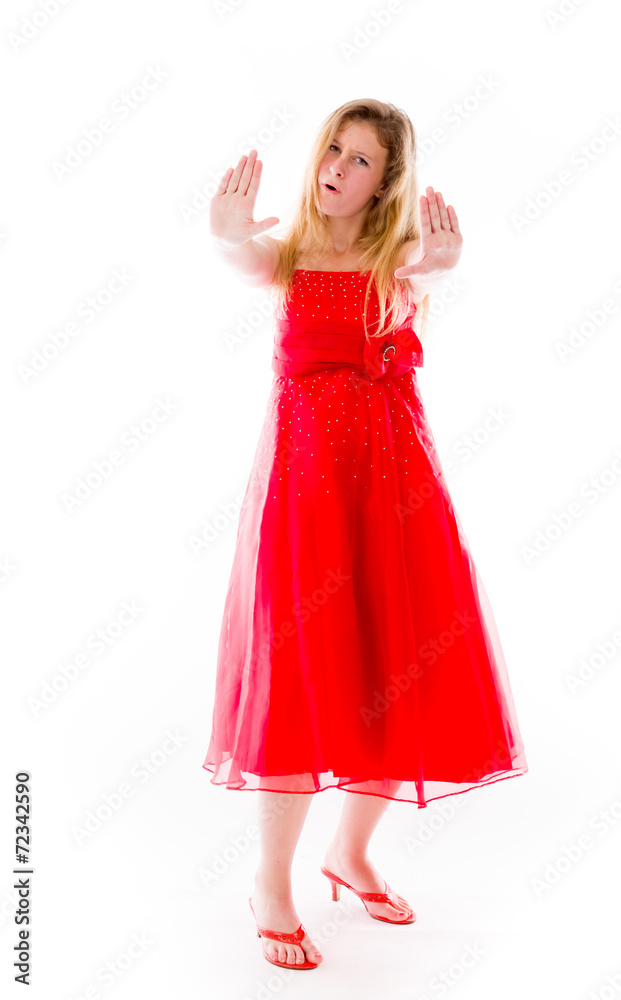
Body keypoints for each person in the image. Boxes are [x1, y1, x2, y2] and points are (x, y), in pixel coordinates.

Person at [203, 98, 528, 971]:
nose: (337, 169)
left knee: (399, 655)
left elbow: (427, 265)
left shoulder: (396, 259)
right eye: (333, 151)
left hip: (396, 487)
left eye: (360, 161)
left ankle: (348, 853)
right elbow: (246, 260)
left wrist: (445, 261)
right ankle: (271, 880)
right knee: (306, 664)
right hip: (308, 493)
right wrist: (228, 233)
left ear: (387, 182)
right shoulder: (290, 254)